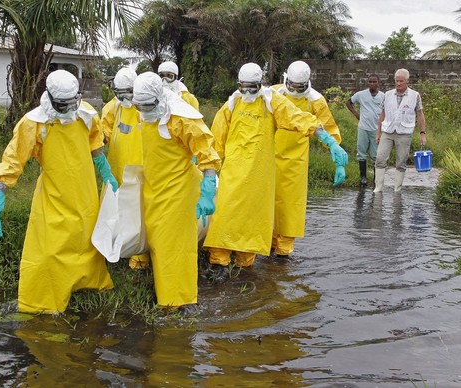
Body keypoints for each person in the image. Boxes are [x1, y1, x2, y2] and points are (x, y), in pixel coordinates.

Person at [0, 69, 118, 314]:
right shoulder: (34, 123)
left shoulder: (86, 114)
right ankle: (42, 301)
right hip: (54, 192)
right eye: (63, 105)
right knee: (49, 248)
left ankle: (87, 283)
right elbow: (14, 160)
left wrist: (107, 173)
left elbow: (96, 145)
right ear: (51, 98)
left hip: (84, 189)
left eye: (72, 103)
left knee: (85, 239)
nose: (69, 109)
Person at [203, 62, 335, 282]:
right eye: (242, 87)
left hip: (260, 173)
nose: (247, 93)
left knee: (254, 218)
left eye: (251, 88)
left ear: (260, 84)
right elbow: (215, 140)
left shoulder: (272, 102)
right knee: (225, 214)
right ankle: (219, 261)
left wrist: (327, 138)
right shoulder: (231, 105)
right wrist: (207, 169)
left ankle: (245, 263)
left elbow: (297, 117)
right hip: (234, 171)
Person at [131, 71, 221, 310]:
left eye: (147, 106)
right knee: (158, 242)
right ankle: (164, 293)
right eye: (139, 106)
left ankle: (179, 302)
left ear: (159, 99)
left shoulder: (182, 119)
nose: (143, 110)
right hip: (155, 188)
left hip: (179, 191)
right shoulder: (144, 112)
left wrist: (208, 190)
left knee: (176, 246)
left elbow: (208, 155)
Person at [270, 60, 348, 258]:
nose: (295, 90)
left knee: (290, 205)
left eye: (300, 87)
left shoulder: (316, 101)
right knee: (266, 201)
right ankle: (267, 243)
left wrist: (338, 160)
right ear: (286, 80)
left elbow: (329, 130)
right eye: (293, 86)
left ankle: (283, 252)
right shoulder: (273, 94)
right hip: (269, 156)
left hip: (296, 161)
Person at [100, 67, 150, 269]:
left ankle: (140, 254)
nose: (124, 97)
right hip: (117, 166)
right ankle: (115, 249)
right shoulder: (112, 108)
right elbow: (104, 132)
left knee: (139, 210)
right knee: (116, 209)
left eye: (127, 92)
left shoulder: (145, 108)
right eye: (119, 93)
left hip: (140, 168)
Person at [374, 68, 427, 193]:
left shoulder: (415, 95)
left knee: (401, 161)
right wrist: (378, 132)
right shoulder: (387, 94)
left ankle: (397, 189)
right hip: (388, 131)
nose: (398, 84)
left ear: (407, 81)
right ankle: (378, 188)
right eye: (396, 81)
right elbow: (382, 113)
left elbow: (420, 114)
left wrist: (422, 133)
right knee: (380, 158)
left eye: (401, 81)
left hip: (404, 132)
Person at [346, 74, 384, 186]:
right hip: (363, 128)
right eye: (370, 82)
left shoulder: (383, 96)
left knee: (376, 154)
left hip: (376, 129)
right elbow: (349, 102)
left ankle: (376, 179)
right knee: (361, 152)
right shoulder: (361, 95)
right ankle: (363, 177)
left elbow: (387, 110)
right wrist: (356, 114)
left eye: (374, 82)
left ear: (378, 83)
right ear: (367, 83)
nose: (372, 84)